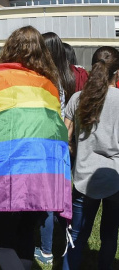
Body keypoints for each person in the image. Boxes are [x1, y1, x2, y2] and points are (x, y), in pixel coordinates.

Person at [0, 25, 71, 270]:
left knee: (3, 241)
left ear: (10, 48)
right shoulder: (50, 83)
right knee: (26, 233)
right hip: (39, 169)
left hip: (6, 169)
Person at [63, 46, 119, 270]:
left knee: (76, 236)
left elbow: (64, 137)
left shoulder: (78, 98)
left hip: (84, 176)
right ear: (117, 72)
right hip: (115, 177)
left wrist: (78, 149)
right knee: (109, 233)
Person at [33, 32, 76, 265]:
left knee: (46, 201)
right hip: (61, 143)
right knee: (59, 194)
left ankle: (46, 250)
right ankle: (64, 237)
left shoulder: (46, 80)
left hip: (44, 144)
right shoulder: (66, 78)